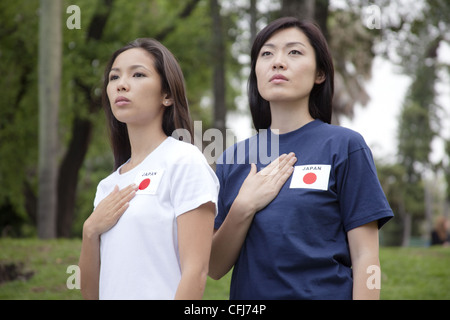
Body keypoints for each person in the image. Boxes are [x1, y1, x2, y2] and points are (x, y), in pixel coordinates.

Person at [209, 17, 394, 300]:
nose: (278, 62)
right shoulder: (232, 158)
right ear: (256, 70)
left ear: (320, 73)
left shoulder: (345, 146)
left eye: (294, 52)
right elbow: (214, 266)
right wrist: (243, 206)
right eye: (267, 53)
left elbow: (366, 256)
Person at [78, 38, 219, 300]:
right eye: (114, 77)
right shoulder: (108, 186)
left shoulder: (184, 160)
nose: (121, 84)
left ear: (167, 95)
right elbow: (91, 294)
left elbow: (196, 272)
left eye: (138, 74)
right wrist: (90, 230)